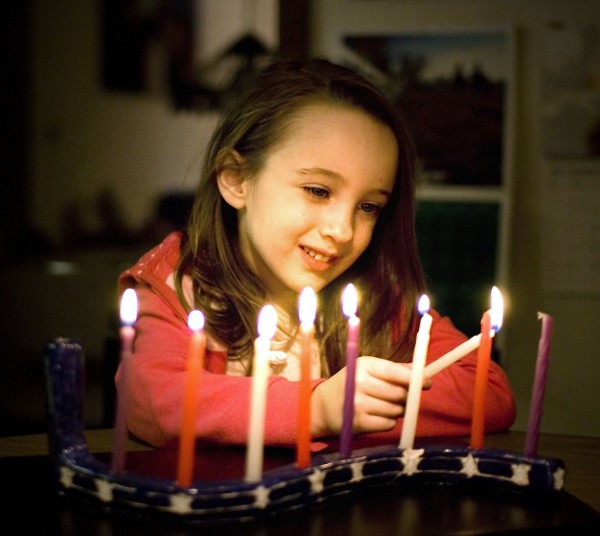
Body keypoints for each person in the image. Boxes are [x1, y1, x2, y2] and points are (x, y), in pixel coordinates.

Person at [117, 57, 515, 450]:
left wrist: (359, 410)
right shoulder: (180, 283)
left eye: (369, 206)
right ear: (237, 180)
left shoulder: (374, 296)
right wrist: (317, 408)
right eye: (318, 191)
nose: (342, 231)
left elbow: (489, 391)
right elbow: (150, 399)